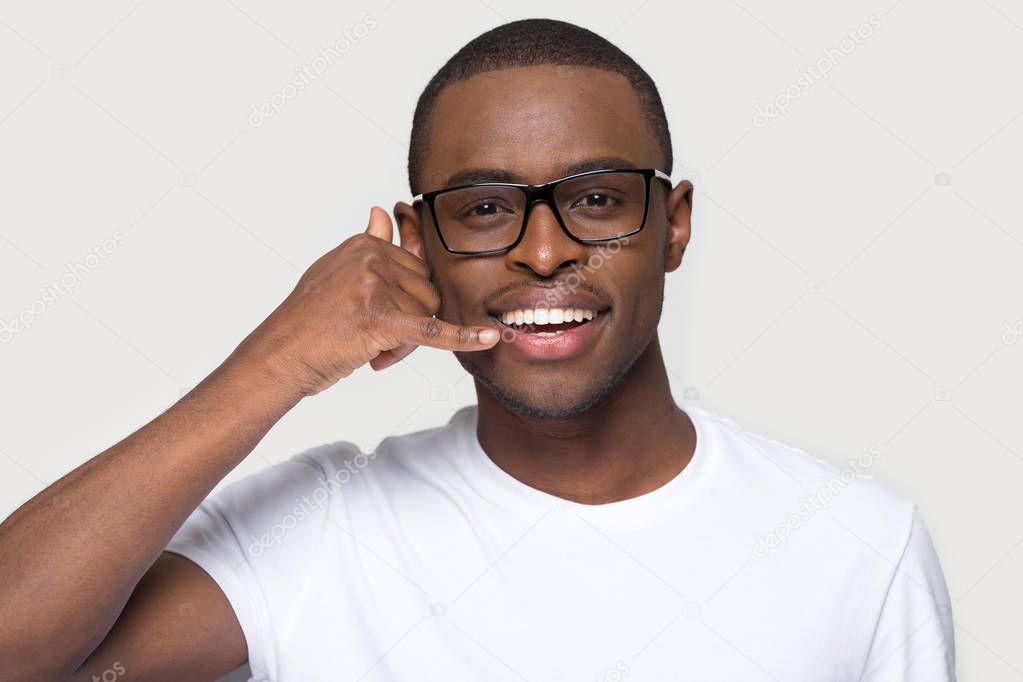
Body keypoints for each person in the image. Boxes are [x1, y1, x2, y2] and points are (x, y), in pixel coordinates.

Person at [0, 18, 954, 682]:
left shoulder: (856, 542)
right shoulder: (326, 528)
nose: (544, 252)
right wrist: (276, 366)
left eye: (595, 198)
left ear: (674, 224)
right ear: (415, 244)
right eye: (486, 209)